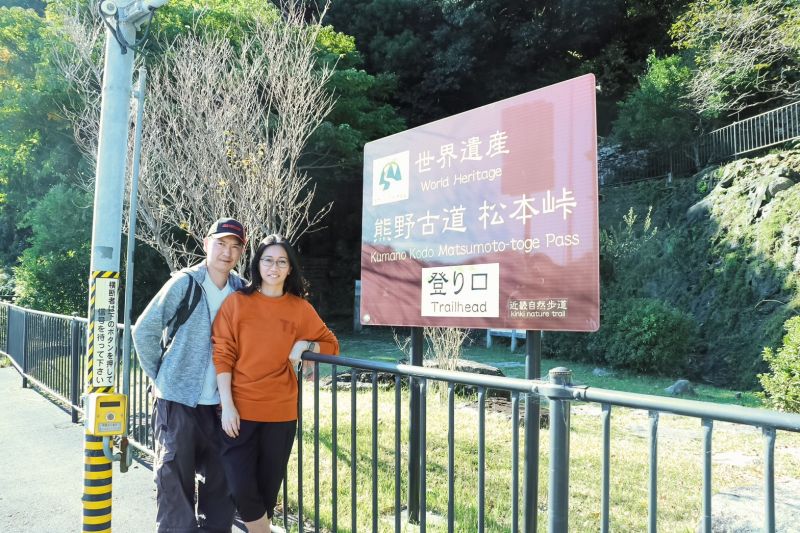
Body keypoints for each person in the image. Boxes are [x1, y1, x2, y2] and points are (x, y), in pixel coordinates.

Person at [212, 234, 339, 533]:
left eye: (282, 261)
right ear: (257, 264)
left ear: (290, 268)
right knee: (241, 488)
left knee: (267, 492)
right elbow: (222, 355)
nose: (274, 267)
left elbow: (332, 345)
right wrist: (227, 405)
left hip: (281, 414)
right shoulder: (237, 303)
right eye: (268, 260)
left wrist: (307, 345)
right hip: (239, 412)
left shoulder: (300, 308)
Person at [133, 217, 247, 532]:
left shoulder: (241, 291)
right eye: (221, 243)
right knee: (174, 485)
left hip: (223, 407)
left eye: (235, 246)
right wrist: (162, 378)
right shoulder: (185, 283)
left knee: (221, 488)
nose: (227, 252)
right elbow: (144, 330)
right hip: (177, 403)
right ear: (207, 244)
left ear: (241, 252)